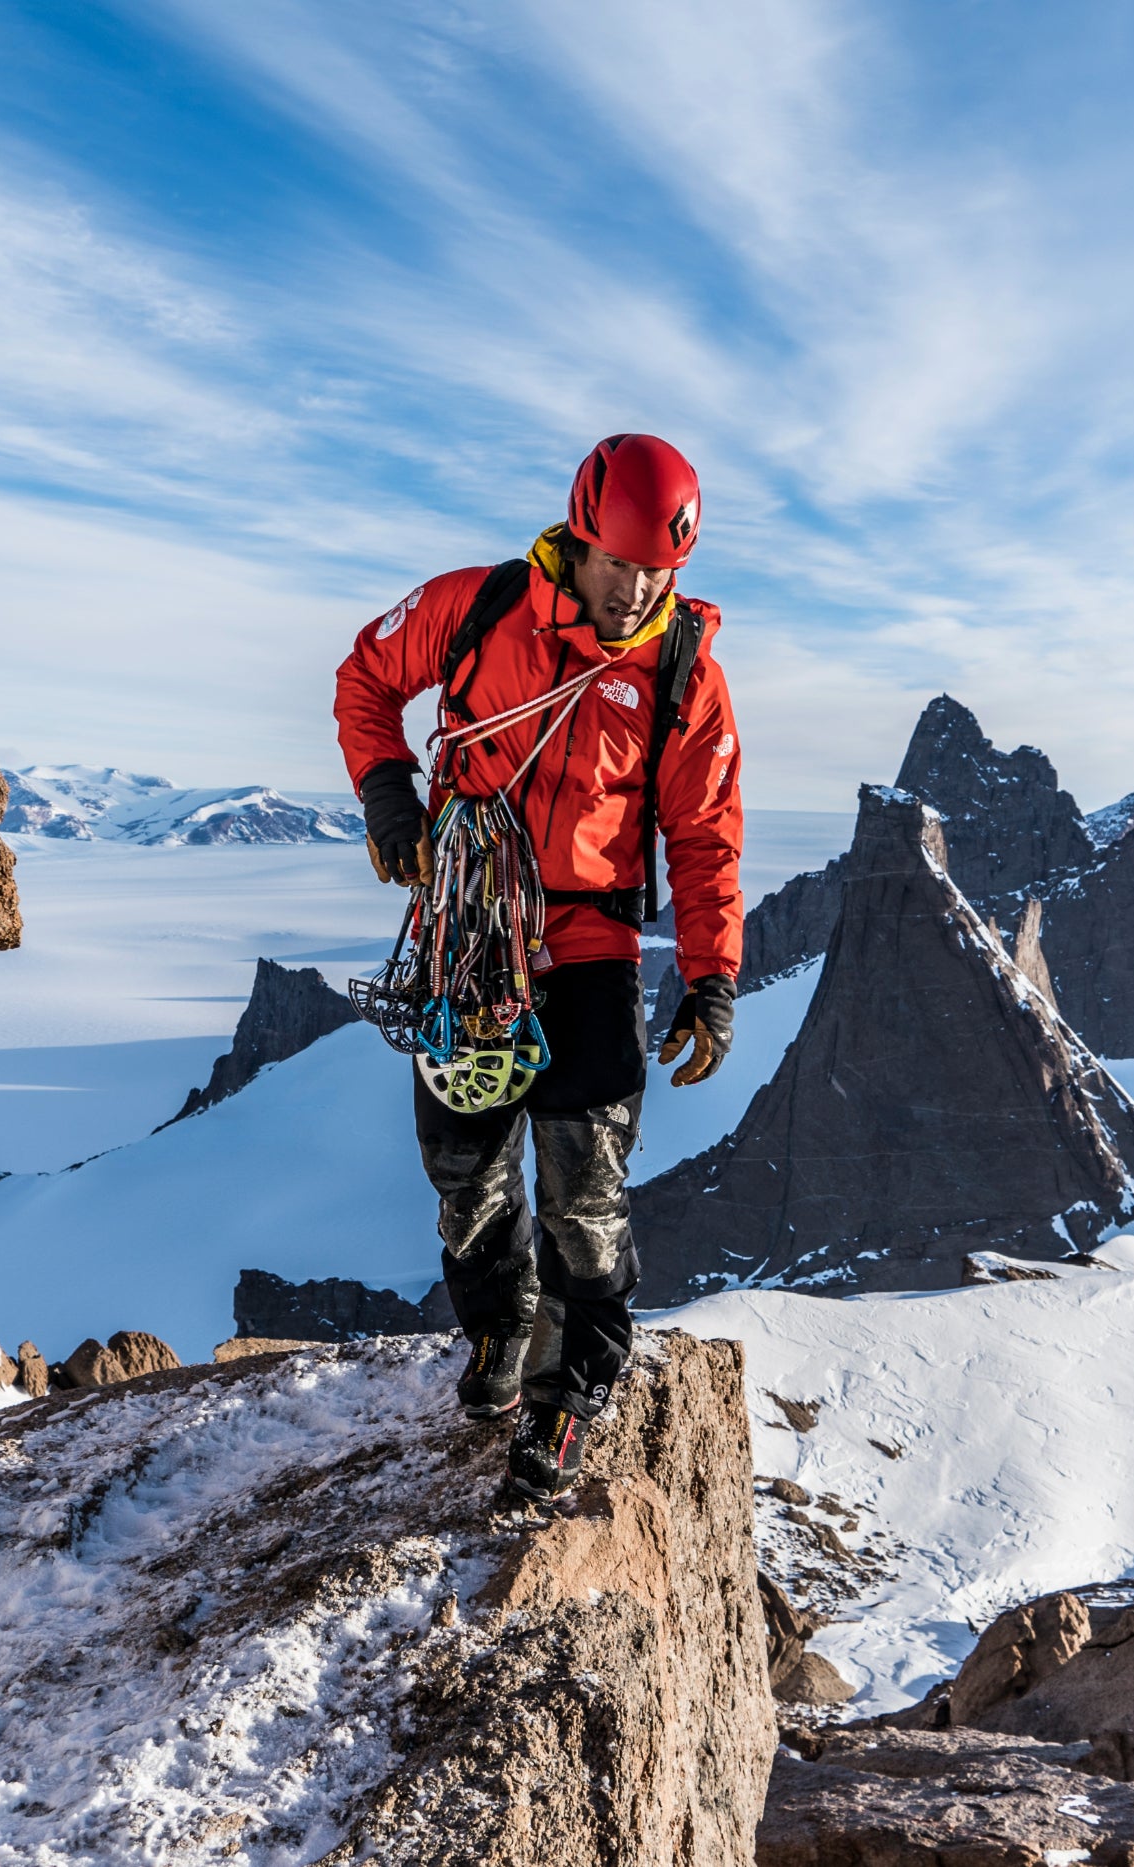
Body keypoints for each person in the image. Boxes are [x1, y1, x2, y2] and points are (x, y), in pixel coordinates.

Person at [333, 433, 745, 1502]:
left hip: (592, 950)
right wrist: (386, 791)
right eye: (621, 564)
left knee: (585, 1189)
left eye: (660, 571)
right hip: (466, 938)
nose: (637, 588)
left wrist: (711, 973)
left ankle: (575, 1384)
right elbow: (367, 678)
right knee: (465, 1175)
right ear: (580, 535)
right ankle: (499, 1331)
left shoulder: (680, 670)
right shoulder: (477, 608)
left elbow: (702, 833)